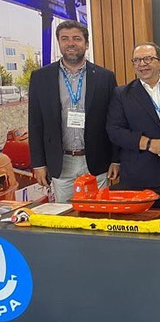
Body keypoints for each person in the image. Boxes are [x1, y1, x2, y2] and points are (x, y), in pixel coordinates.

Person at [28, 20, 119, 202]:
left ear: (86, 44)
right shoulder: (40, 78)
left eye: (77, 38)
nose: (71, 43)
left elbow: (115, 121)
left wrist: (116, 159)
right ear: (59, 43)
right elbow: (35, 123)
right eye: (65, 39)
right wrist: (38, 164)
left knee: (98, 213)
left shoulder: (105, 77)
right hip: (61, 162)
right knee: (65, 213)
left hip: (96, 161)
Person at [106, 42, 160, 210]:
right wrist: (149, 144)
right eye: (137, 60)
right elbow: (115, 131)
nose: (142, 64)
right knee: (147, 224)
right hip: (141, 176)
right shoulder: (122, 94)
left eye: (147, 59)